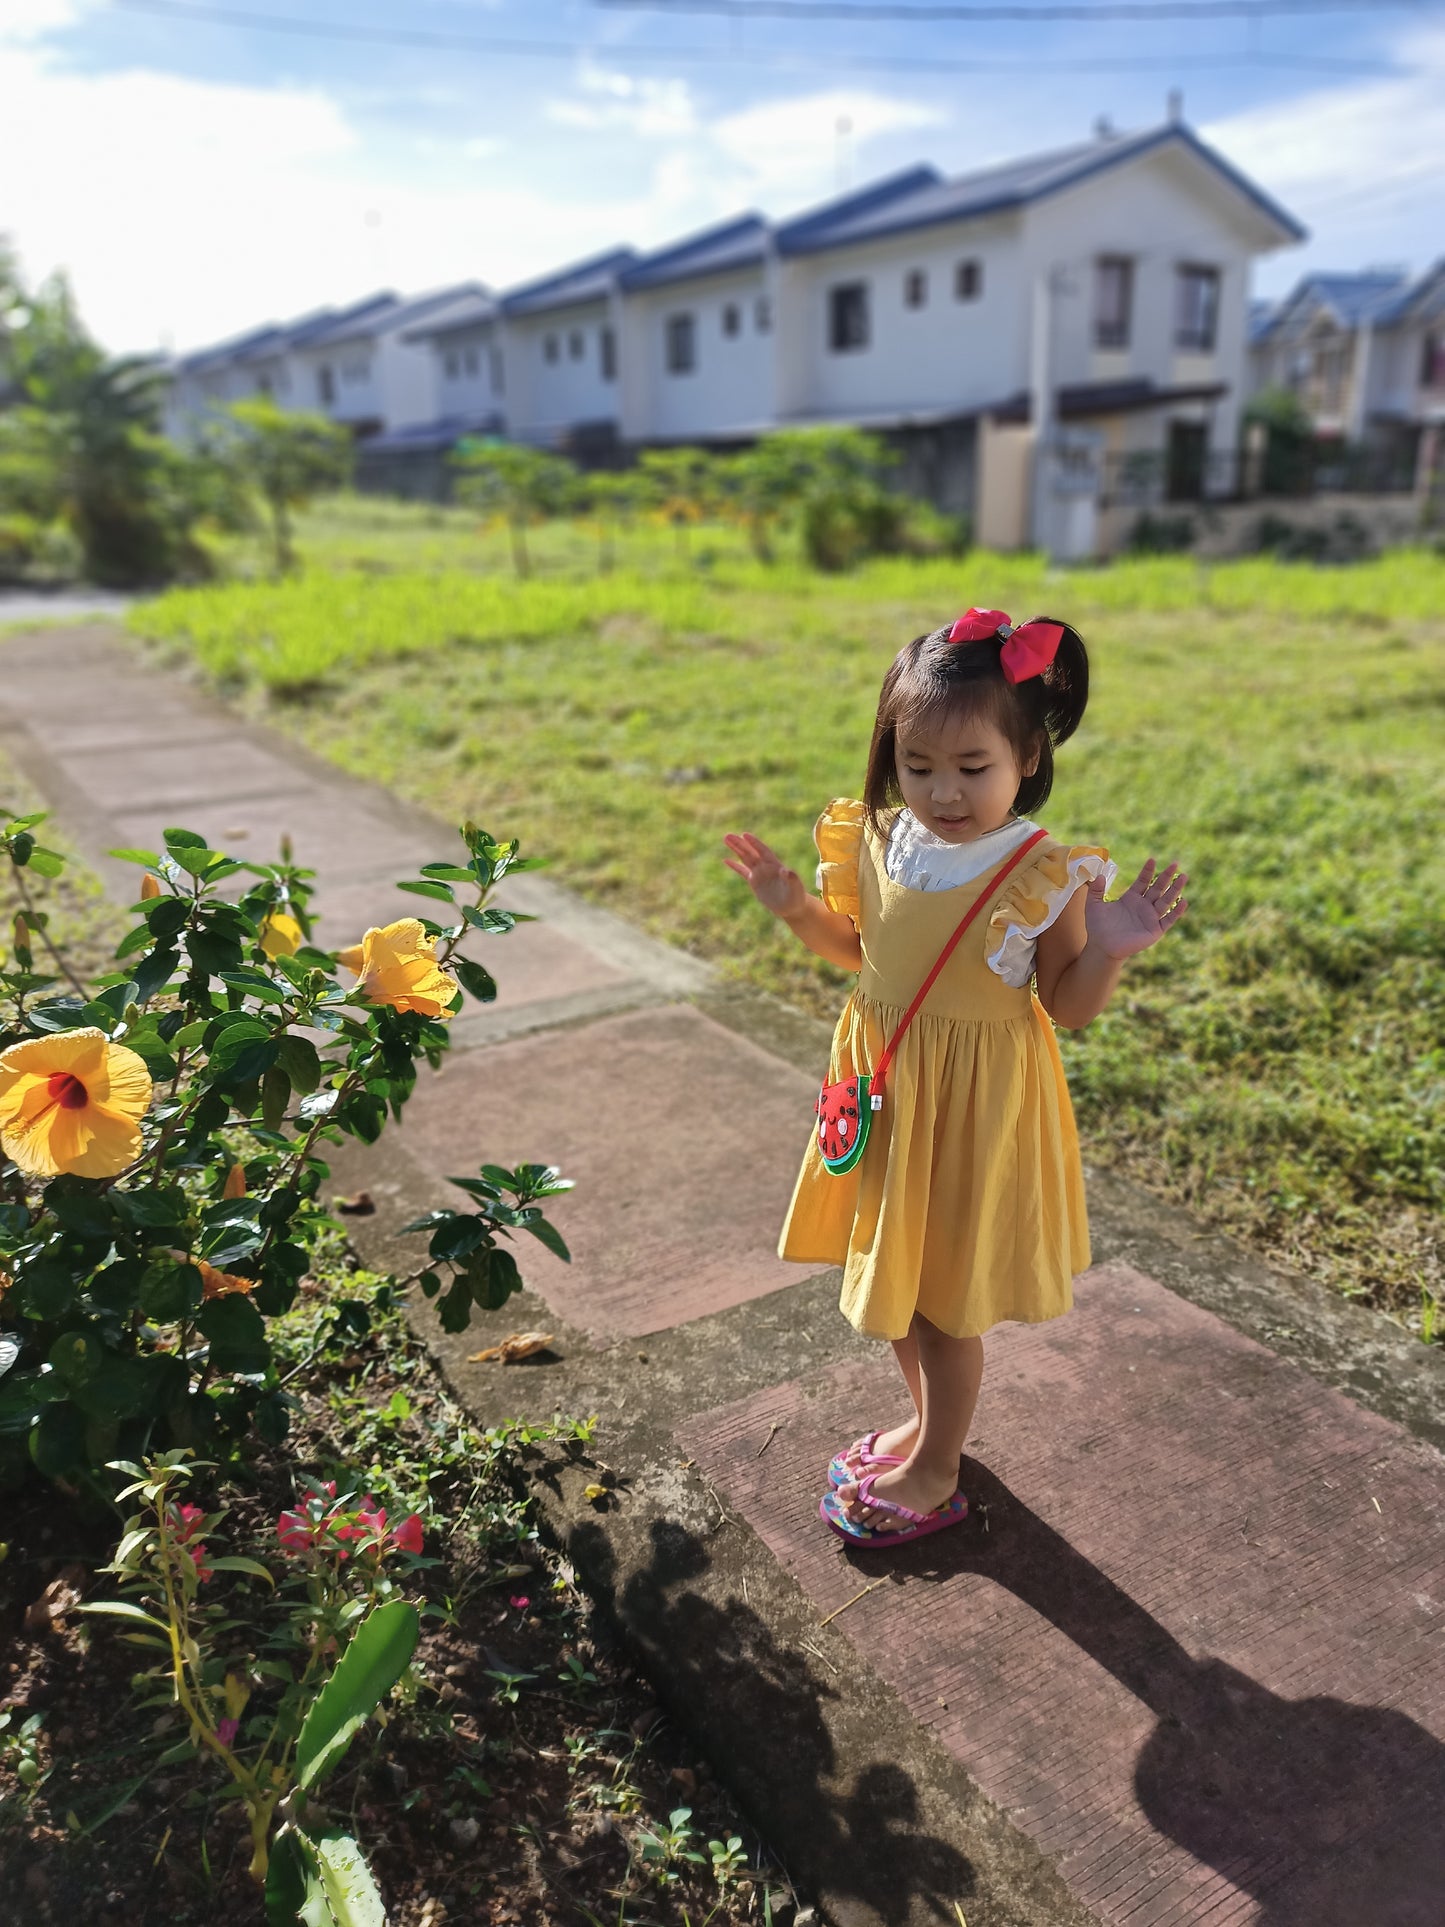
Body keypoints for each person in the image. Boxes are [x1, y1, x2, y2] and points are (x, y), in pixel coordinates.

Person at [723, 608, 1188, 1545]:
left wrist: (1105, 950)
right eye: (918, 765)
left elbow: (1065, 1004)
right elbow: (857, 949)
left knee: (941, 1302)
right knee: (896, 1276)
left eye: (972, 769)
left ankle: (937, 1465)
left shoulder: (1036, 870)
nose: (942, 791)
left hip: (973, 1110)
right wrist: (791, 907)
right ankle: (924, 1425)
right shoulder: (881, 839)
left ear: (1027, 756)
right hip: (889, 1092)